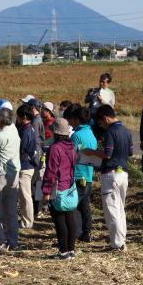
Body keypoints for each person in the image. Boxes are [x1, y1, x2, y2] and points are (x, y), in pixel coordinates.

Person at [84, 105, 133, 251]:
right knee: (120, 208)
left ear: (105, 118)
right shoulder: (127, 131)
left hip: (111, 174)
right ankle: (121, 240)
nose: (102, 126)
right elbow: (130, 152)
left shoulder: (110, 132)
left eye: (101, 123)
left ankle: (117, 244)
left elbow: (107, 154)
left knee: (112, 208)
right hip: (123, 173)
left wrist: (91, 152)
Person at [42, 118, 78, 259]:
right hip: (69, 186)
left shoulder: (54, 148)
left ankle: (63, 251)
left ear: (55, 132)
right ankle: (71, 249)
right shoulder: (71, 146)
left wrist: (46, 192)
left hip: (57, 188)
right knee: (70, 217)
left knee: (59, 220)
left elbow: (50, 172)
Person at [0, 108, 21, 253]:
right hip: (14, 174)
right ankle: (13, 240)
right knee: (11, 209)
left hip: (1, 174)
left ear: (0, 119)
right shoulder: (14, 129)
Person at [65, 104, 97, 242]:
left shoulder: (76, 135)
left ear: (77, 120)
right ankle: (86, 232)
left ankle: (74, 234)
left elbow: (70, 156)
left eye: (71, 120)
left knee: (71, 206)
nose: (70, 123)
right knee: (84, 206)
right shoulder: (91, 134)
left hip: (78, 175)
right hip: (88, 175)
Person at [17, 104, 40, 229]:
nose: (18, 119)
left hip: (25, 166)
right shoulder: (28, 129)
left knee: (25, 196)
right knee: (24, 195)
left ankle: (27, 222)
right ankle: (26, 220)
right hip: (28, 165)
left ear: (24, 117)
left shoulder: (26, 131)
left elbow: (21, 149)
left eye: (19, 116)